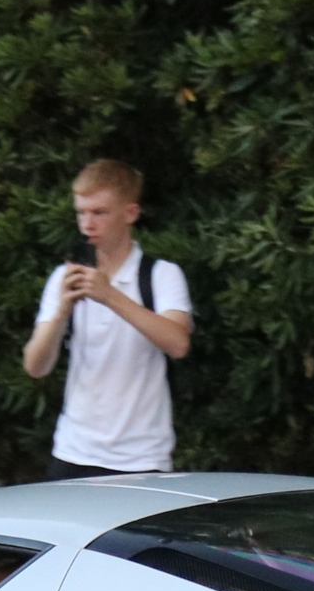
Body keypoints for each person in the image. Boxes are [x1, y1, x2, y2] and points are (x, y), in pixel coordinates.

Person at [21, 160, 193, 479]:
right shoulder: (65, 277)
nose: (87, 224)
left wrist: (109, 295)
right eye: (81, 213)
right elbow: (35, 367)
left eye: (99, 213)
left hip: (142, 458)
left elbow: (178, 344)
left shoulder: (161, 275)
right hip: (73, 451)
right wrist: (61, 311)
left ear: (130, 213)